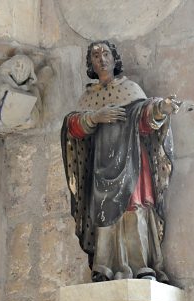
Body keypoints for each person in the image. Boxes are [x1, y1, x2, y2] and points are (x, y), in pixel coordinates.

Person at [61, 41, 181, 283]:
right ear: (91, 64)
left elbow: (145, 116)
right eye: (95, 55)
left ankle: (140, 265)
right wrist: (95, 117)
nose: (101, 58)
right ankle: (103, 266)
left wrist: (162, 108)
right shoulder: (89, 97)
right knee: (103, 211)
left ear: (114, 59)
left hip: (132, 161)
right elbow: (72, 127)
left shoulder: (130, 89)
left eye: (105, 53)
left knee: (134, 208)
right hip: (101, 164)